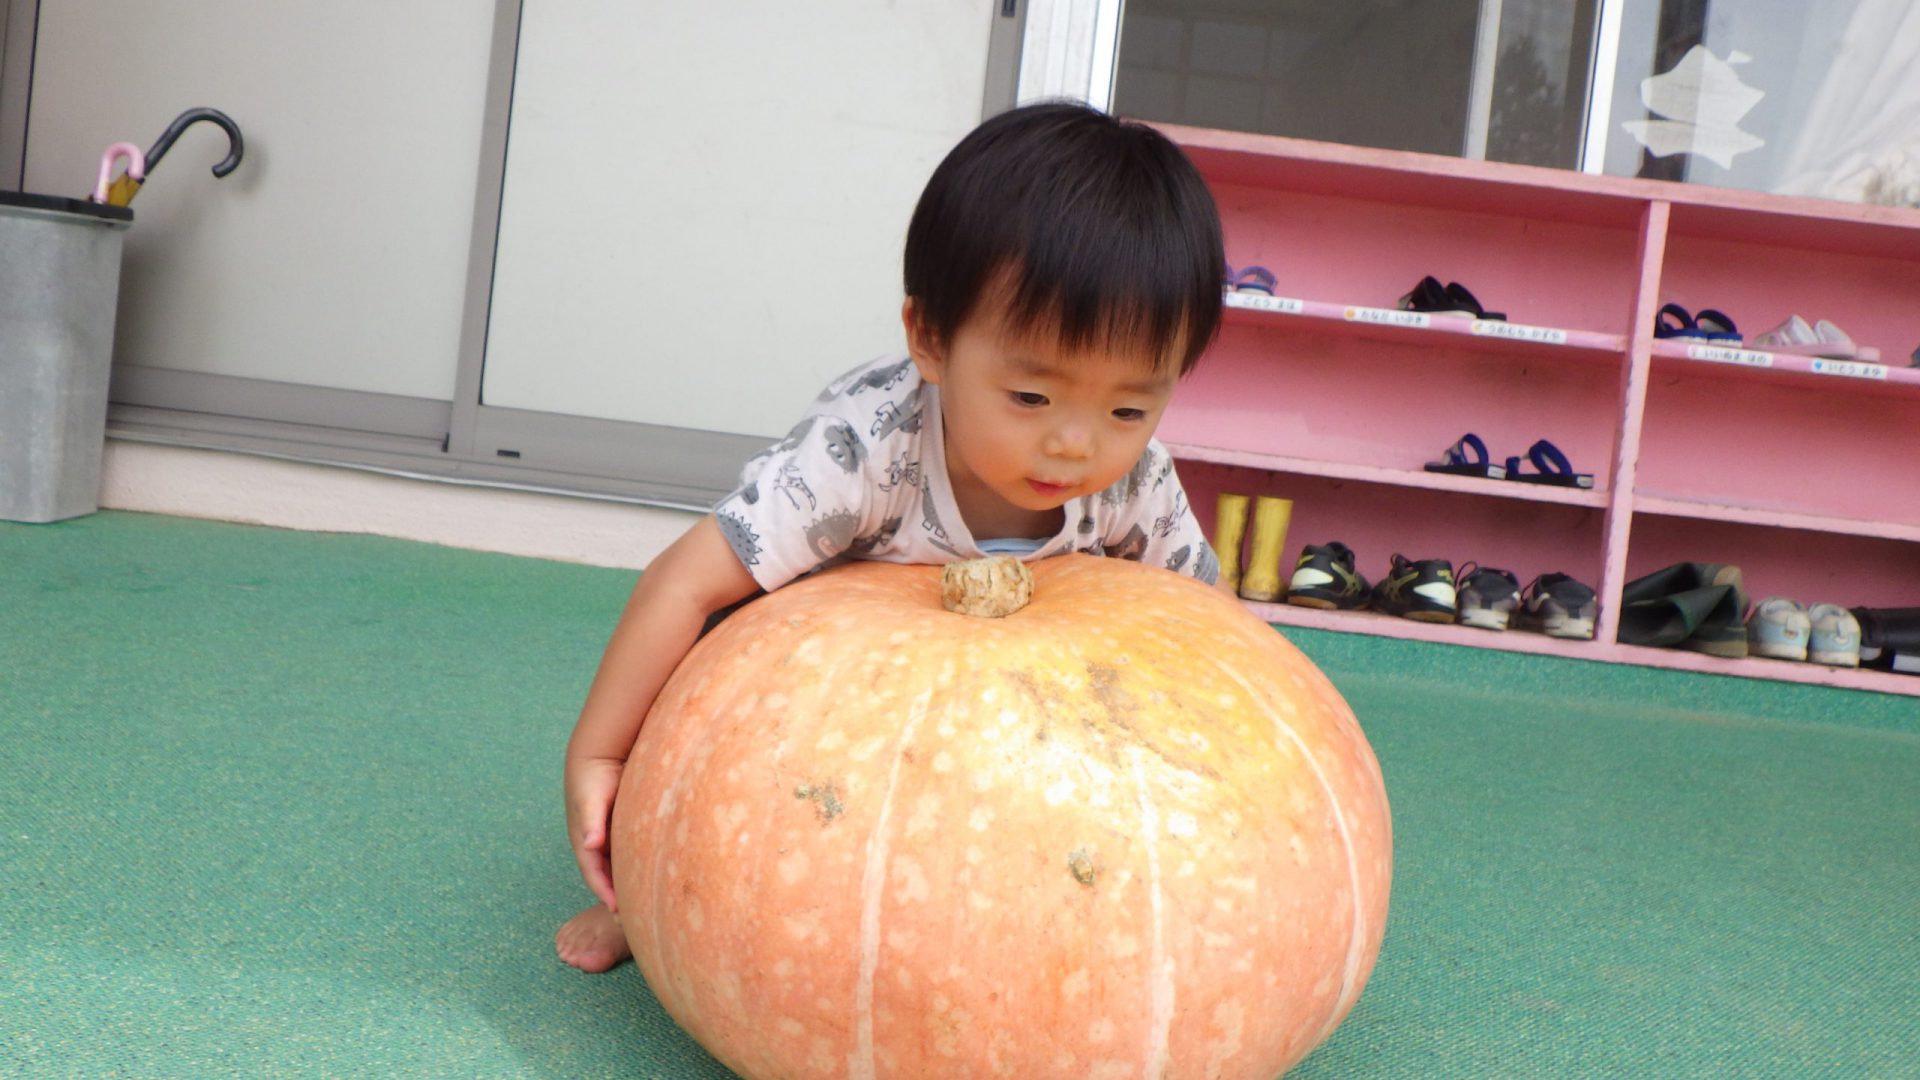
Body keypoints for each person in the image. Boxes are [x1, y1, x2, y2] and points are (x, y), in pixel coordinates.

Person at [556, 100, 1228, 972]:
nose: (1075, 443)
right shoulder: (862, 455)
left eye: (1129, 409)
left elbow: (1214, 633)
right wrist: (602, 753)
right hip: (827, 702)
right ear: (931, 340)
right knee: (718, 658)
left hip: (1018, 711)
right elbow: (684, 583)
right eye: (1031, 397)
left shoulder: (1135, 483)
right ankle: (645, 888)